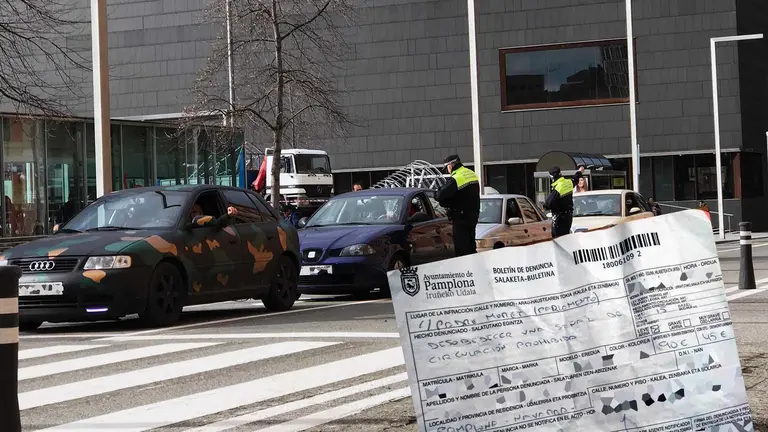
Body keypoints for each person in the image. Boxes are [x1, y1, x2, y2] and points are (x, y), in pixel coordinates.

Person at [436, 155, 481, 257]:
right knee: (470, 246)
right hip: (473, 215)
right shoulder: (471, 174)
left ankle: (465, 271)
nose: (448, 171)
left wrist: (436, 194)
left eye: (447, 167)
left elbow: (440, 195)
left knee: (461, 249)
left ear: (451, 165)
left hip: (461, 217)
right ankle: (474, 269)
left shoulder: (456, 178)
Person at [543, 165, 584, 238]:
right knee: (566, 236)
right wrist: (580, 171)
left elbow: (548, 203)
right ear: (560, 174)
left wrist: (544, 207)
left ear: (552, 177)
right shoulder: (568, 182)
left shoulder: (558, 188)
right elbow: (576, 179)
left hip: (559, 217)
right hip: (568, 216)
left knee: (558, 238)